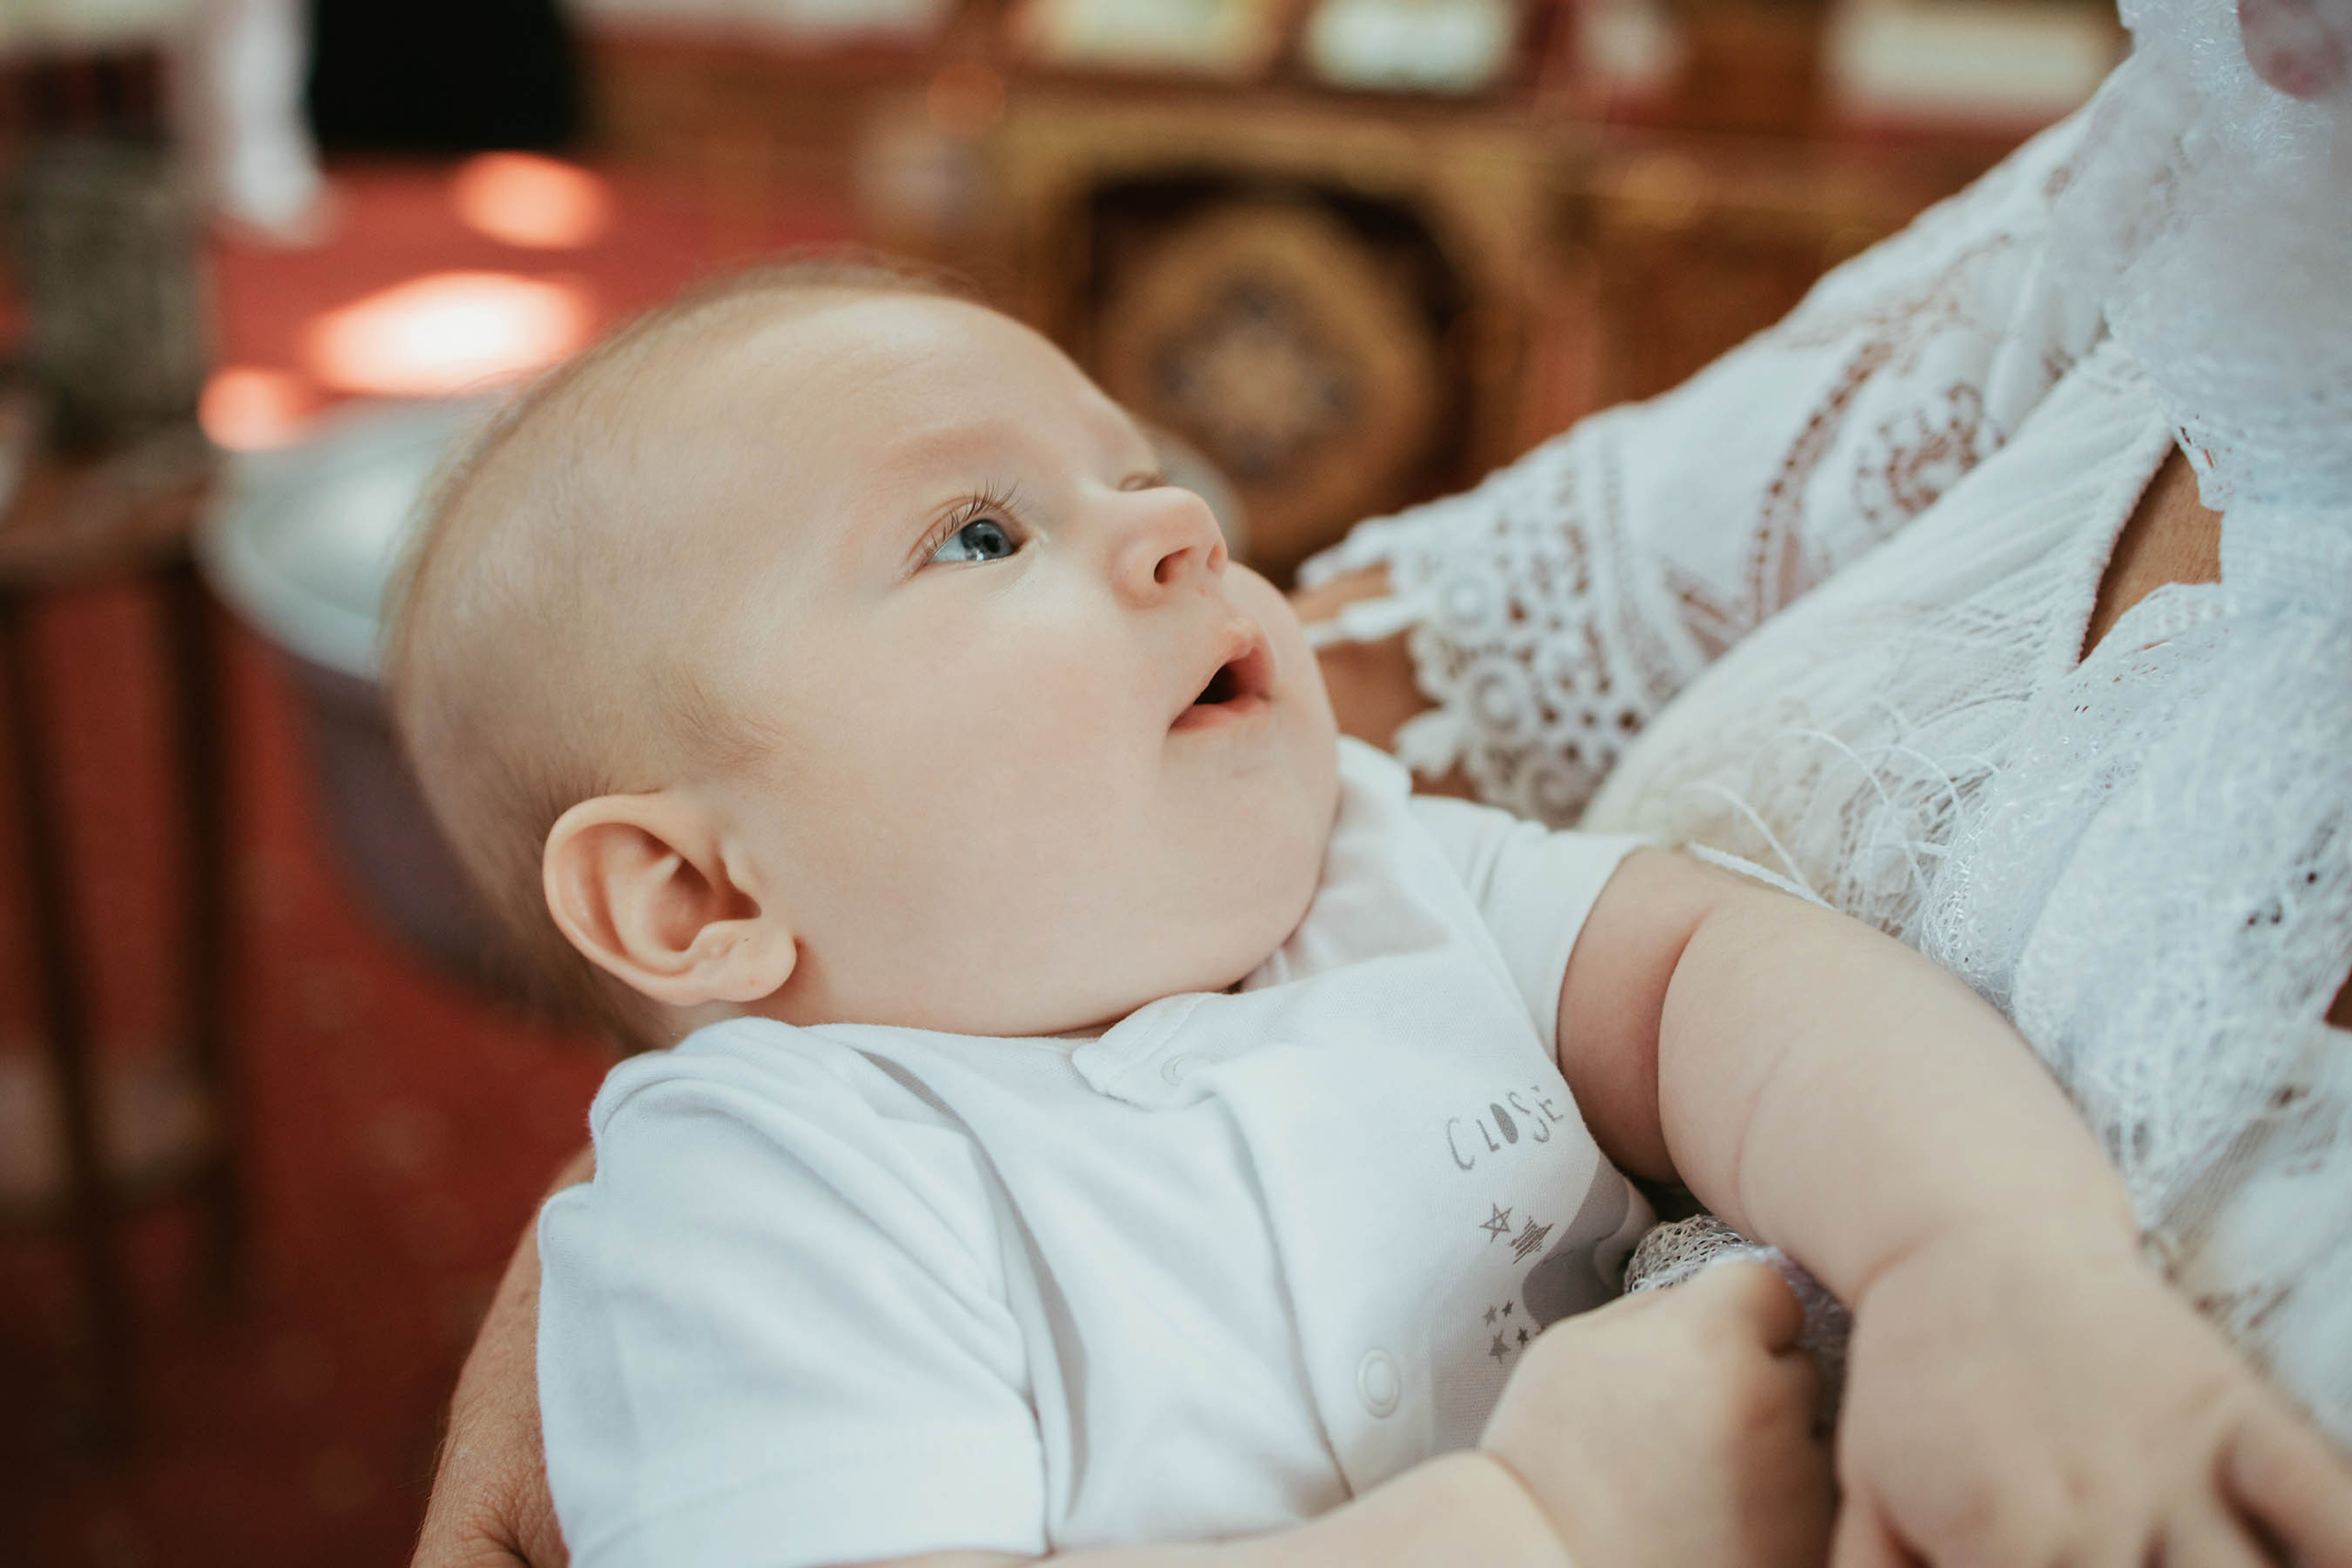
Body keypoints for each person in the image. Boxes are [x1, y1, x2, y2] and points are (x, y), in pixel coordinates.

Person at [409, 0, 2352, 1562]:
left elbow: (1721, 983)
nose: (1172, 520)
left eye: (1132, 463)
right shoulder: (767, 1205)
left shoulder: (1360, 865)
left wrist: (1975, 1255)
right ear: (696, 901)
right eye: (981, 534)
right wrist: (1530, 1519)